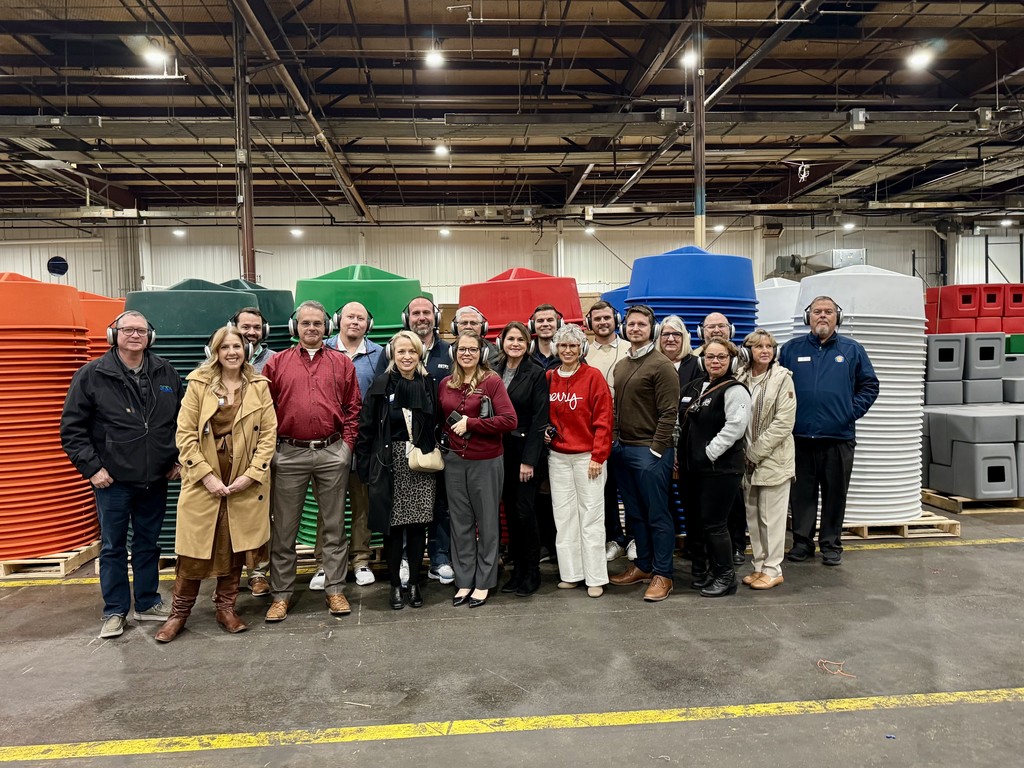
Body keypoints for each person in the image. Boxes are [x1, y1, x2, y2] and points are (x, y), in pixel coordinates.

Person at [60, 311, 183, 639]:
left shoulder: (165, 372)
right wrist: (92, 468)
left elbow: (183, 423)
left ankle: (146, 601)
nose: (134, 335)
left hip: (155, 479)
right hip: (111, 480)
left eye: (141, 330)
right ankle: (114, 611)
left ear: (150, 336)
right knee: (113, 546)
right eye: (127, 330)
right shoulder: (92, 375)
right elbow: (72, 429)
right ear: (113, 334)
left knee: (148, 543)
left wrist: (178, 459)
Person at [154, 326, 278, 642]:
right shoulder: (198, 384)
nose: (232, 352)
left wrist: (250, 475)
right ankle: (178, 615)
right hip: (203, 478)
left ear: (246, 350)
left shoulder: (259, 386)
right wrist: (205, 476)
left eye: (237, 346)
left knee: (234, 547)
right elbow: (184, 434)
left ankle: (226, 608)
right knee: (195, 550)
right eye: (225, 347)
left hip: (243, 479)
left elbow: (267, 435)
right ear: (215, 352)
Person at [261, 300, 362, 623]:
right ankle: (281, 595)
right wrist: (274, 450)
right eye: (305, 323)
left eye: (317, 323)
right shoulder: (277, 363)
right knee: (284, 529)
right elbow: (265, 411)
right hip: (289, 454)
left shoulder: (342, 364)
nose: (311, 329)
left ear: (326, 327)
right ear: (295, 327)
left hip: (332, 452)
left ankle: (334, 589)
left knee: (334, 526)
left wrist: (345, 447)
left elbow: (353, 409)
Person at [779, 296, 879, 566]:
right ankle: (801, 543)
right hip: (799, 439)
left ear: (838, 317)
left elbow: (869, 385)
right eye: (817, 312)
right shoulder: (790, 349)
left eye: (828, 312)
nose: (822, 316)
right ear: (807, 317)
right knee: (801, 495)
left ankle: (831, 544)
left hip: (839, 439)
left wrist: (850, 412)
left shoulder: (851, 350)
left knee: (835, 494)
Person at [356, 331, 439, 610]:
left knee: (417, 527)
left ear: (419, 355)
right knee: (391, 529)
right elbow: (366, 428)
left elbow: (434, 421)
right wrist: (366, 468)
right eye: (401, 351)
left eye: (412, 352)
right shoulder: (381, 384)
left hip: (420, 463)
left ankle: (414, 583)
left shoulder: (427, 383)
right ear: (393, 355)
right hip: (390, 465)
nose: (406, 357)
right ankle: (394, 585)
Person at [439, 330, 517, 608]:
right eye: (462, 349)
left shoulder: (492, 382)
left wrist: (472, 424)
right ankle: (464, 580)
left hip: (486, 461)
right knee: (460, 524)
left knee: (486, 523)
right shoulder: (447, 383)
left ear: (482, 354)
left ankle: (484, 582)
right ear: (454, 353)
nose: (467, 354)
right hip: (454, 462)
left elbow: (509, 420)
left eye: (473, 349)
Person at [608, 305, 679, 602]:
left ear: (652, 329)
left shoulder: (661, 365)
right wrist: (615, 442)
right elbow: (616, 409)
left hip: (650, 451)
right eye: (631, 324)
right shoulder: (622, 364)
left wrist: (656, 450)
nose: (635, 328)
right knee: (636, 514)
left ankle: (663, 573)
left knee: (657, 514)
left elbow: (669, 413)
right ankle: (644, 565)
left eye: (642, 324)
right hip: (624, 449)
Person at [319, 301, 386, 589]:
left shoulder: (379, 354)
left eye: (360, 318)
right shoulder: (322, 351)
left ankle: (360, 560)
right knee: (328, 507)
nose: (355, 322)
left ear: (367, 324)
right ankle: (326, 564)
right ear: (338, 320)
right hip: (329, 445)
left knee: (362, 505)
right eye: (350, 317)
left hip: (364, 445)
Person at [678, 339, 751, 598]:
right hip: (693, 470)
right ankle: (708, 571)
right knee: (698, 523)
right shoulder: (693, 387)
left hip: (720, 470)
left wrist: (709, 453)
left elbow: (735, 427)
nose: (715, 362)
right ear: (702, 360)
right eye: (710, 357)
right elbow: (682, 423)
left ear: (731, 360)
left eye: (721, 357)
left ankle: (726, 576)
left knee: (715, 524)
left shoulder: (735, 390)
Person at [545, 324, 613, 597]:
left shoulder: (593, 376)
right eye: (563, 345)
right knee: (564, 517)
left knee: (591, 517)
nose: (568, 350)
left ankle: (595, 577)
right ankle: (571, 573)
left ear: (581, 348)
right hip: (558, 458)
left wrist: (598, 455)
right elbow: (543, 416)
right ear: (556, 348)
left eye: (573, 345)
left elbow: (604, 419)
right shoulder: (549, 376)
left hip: (588, 457)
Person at [736, 329, 795, 590]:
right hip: (746, 461)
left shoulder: (783, 379)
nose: (765, 351)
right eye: (759, 346)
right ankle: (759, 566)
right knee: (753, 516)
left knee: (771, 518)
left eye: (769, 346)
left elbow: (784, 423)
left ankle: (773, 569)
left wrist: (756, 452)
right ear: (747, 351)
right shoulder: (740, 377)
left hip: (772, 459)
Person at [492, 321, 548, 597]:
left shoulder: (536, 373)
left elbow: (540, 420)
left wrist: (530, 461)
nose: (515, 344)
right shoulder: (494, 370)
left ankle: (532, 571)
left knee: (525, 512)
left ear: (528, 345)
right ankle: (517, 571)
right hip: (499, 451)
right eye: (511, 339)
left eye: (521, 340)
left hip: (524, 452)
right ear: (502, 341)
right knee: (510, 513)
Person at [403, 296, 455, 585]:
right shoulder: (401, 350)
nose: (421, 317)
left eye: (426, 312)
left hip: (443, 442)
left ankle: (439, 559)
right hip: (409, 443)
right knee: (409, 502)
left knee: (441, 505)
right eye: (415, 313)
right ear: (407, 318)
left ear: (435, 317)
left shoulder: (449, 353)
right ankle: (408, 559)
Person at [227, 307, 275, 595]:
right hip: (226, 452)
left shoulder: (274, 360)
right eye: (245, 327)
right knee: (228, 516)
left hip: (261, 449)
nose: (251, 333)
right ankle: (227, 575)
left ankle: (258, 571)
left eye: (256, 327)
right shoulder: (215, 363)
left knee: (261, 515)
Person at [584, 300, 630, 562]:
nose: (602, 322)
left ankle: (634, 538)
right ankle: (614, 538)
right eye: (597, 319)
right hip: (597, 433)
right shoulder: (583, 353)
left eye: (606, 318)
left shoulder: (628, 349)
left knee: (631, 488)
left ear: (615, 320)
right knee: (605, 490)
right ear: (590, 323)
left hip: (627, 430)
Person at [658, 315, 703, 557]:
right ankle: (669, 542)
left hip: (690, 445)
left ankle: (695, 547)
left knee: (691, 499)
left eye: (676, 334)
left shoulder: (696, 365)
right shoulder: (653, 363)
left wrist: (680, 447)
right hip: (660, 443)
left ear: (685, 337)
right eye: (666, 334)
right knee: (661, 500)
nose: (671, 339)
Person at [230, 306, 275, 374]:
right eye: (245, 327)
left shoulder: (276, 360)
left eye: (257, 328)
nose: (252, 332)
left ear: (264, 330)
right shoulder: (222, 358)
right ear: (234, 329)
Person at [528, 304, 563, 371]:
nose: (545, 324)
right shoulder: (524, 355)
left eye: (550, 320)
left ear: (558, 324)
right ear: (532, 326)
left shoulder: (570, 354)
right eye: (540, 321)